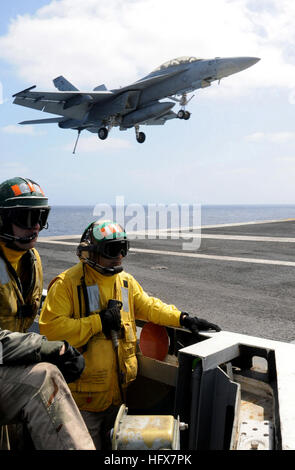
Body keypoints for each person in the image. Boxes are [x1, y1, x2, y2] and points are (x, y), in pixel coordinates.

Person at [39, 219, 221, 449]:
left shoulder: (124, 282)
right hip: (82, 404)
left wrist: (182, 318)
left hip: (119, 397)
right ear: (91, 253)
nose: (119, 256)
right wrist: (98, 322)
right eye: (112, 250)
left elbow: (149, 306)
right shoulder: (67, 285)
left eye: (123, 249)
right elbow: (51, 330)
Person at [0, 177, 95, 449]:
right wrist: (45, 348)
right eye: (27, 218)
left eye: (40, 216)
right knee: (45, 378)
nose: (37, 226)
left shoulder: (32, 261)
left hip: (6, 362)